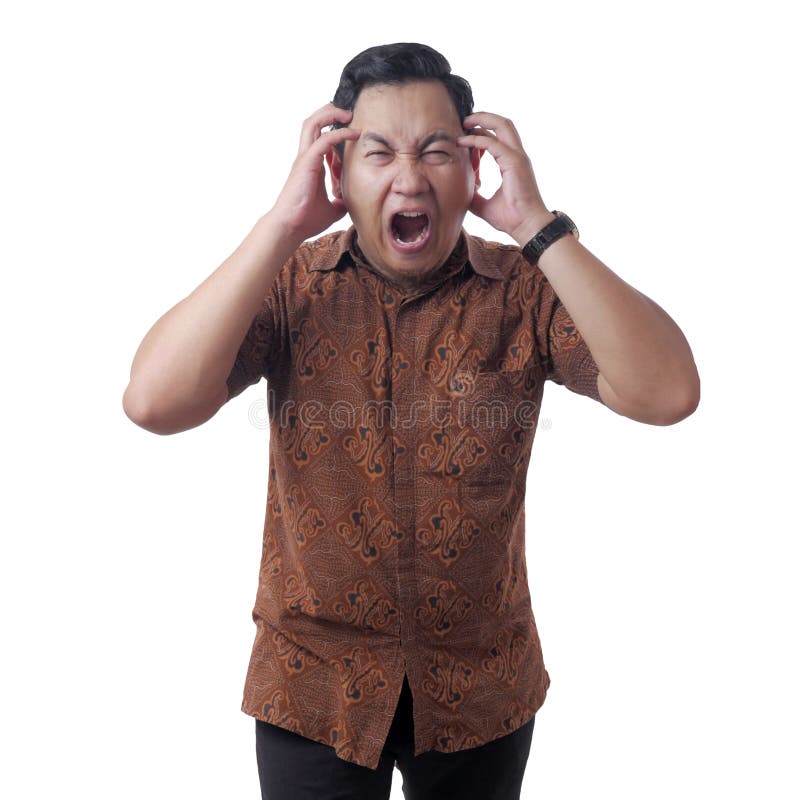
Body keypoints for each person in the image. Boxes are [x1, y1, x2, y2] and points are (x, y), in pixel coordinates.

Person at [123, 42, 700, 800]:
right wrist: (280, 224)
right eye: (378, 153)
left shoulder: (525, 292)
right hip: (314, 689)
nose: (409, 177)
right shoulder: (290, 284)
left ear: (473, 168)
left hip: (482, 687)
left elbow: (668, 393)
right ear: (337, 172)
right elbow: (153, 403)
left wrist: (539, 227)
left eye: (436, 151)